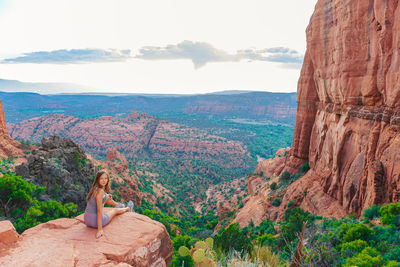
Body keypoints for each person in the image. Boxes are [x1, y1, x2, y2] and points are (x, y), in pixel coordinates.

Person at [84, 170, 133, 238]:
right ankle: (127, 208)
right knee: (114, 211)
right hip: (94, 221)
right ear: (98, 179)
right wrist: (100, 230)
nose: (104, 180)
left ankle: (118, 205)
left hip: (87, 219)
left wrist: (106, 196)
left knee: (107, 197)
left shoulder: (94, 189)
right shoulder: (100, 191)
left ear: (108, 179)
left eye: (105, 178)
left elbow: (99, 198)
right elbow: (99, 210)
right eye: (101, 178)